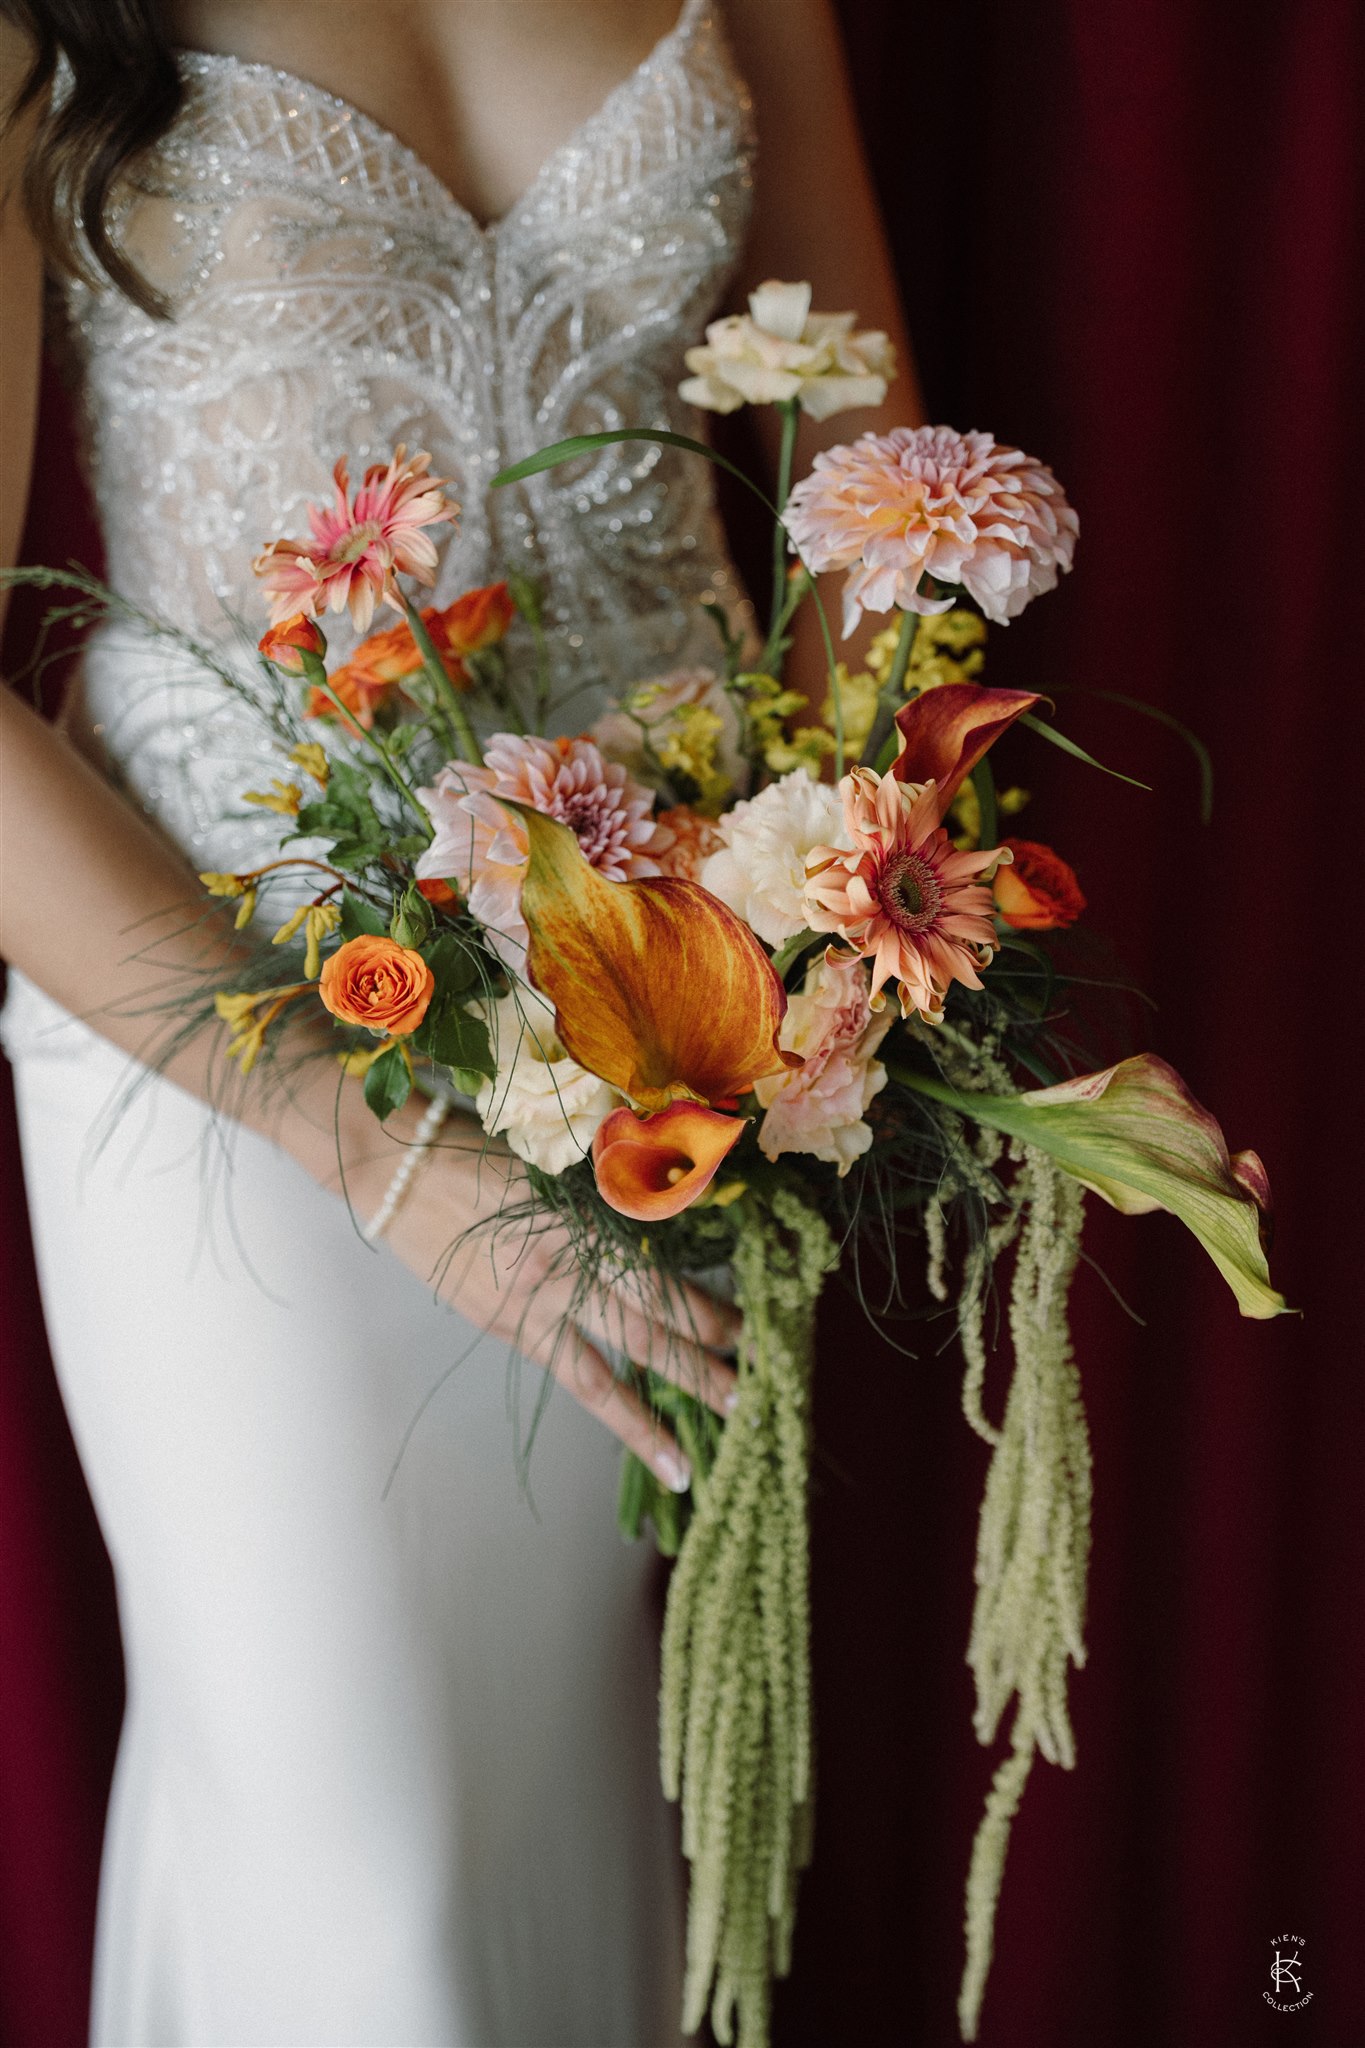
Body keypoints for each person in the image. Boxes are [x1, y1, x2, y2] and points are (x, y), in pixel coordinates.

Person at [0, 2, 917, 2040]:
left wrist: (852, 912)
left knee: (539, 1799)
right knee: (370, 1890)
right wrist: (375, 1142)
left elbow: (865, 462)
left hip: (670, 1036)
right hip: (239, 1049)